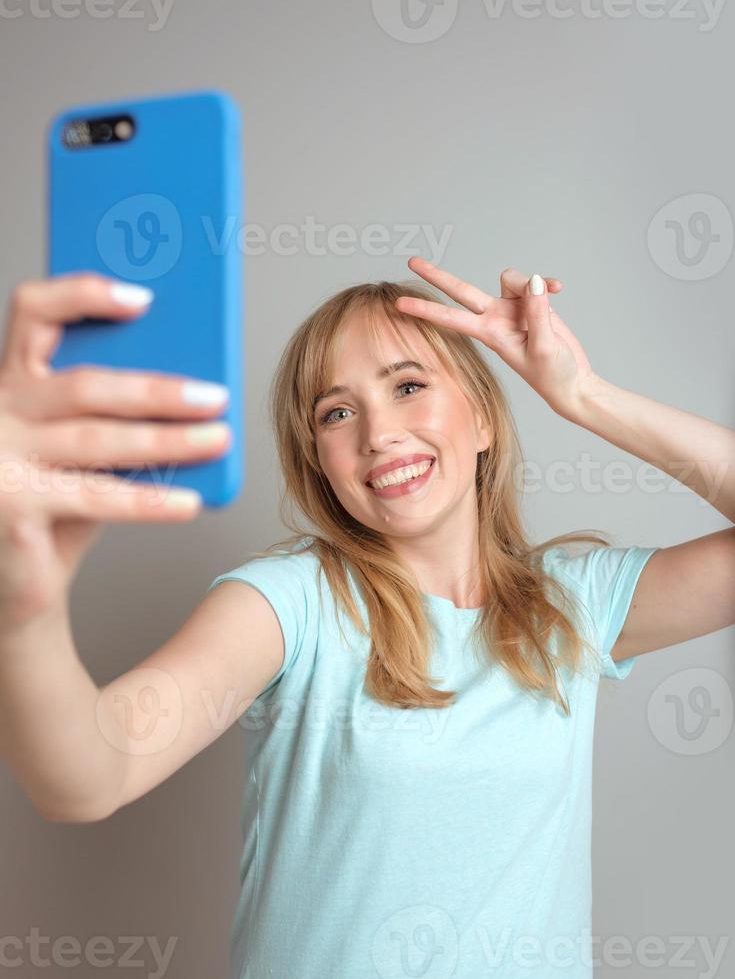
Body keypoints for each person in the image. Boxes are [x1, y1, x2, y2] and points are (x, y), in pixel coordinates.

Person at [0, 258, 733, 979]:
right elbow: (87, 778)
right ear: (319, 458)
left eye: (408, 386)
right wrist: (22, 614)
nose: (378, 434)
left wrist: (584, 396)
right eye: (337, 412)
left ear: (480, 416)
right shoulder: (290, 603)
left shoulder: (570, 605)